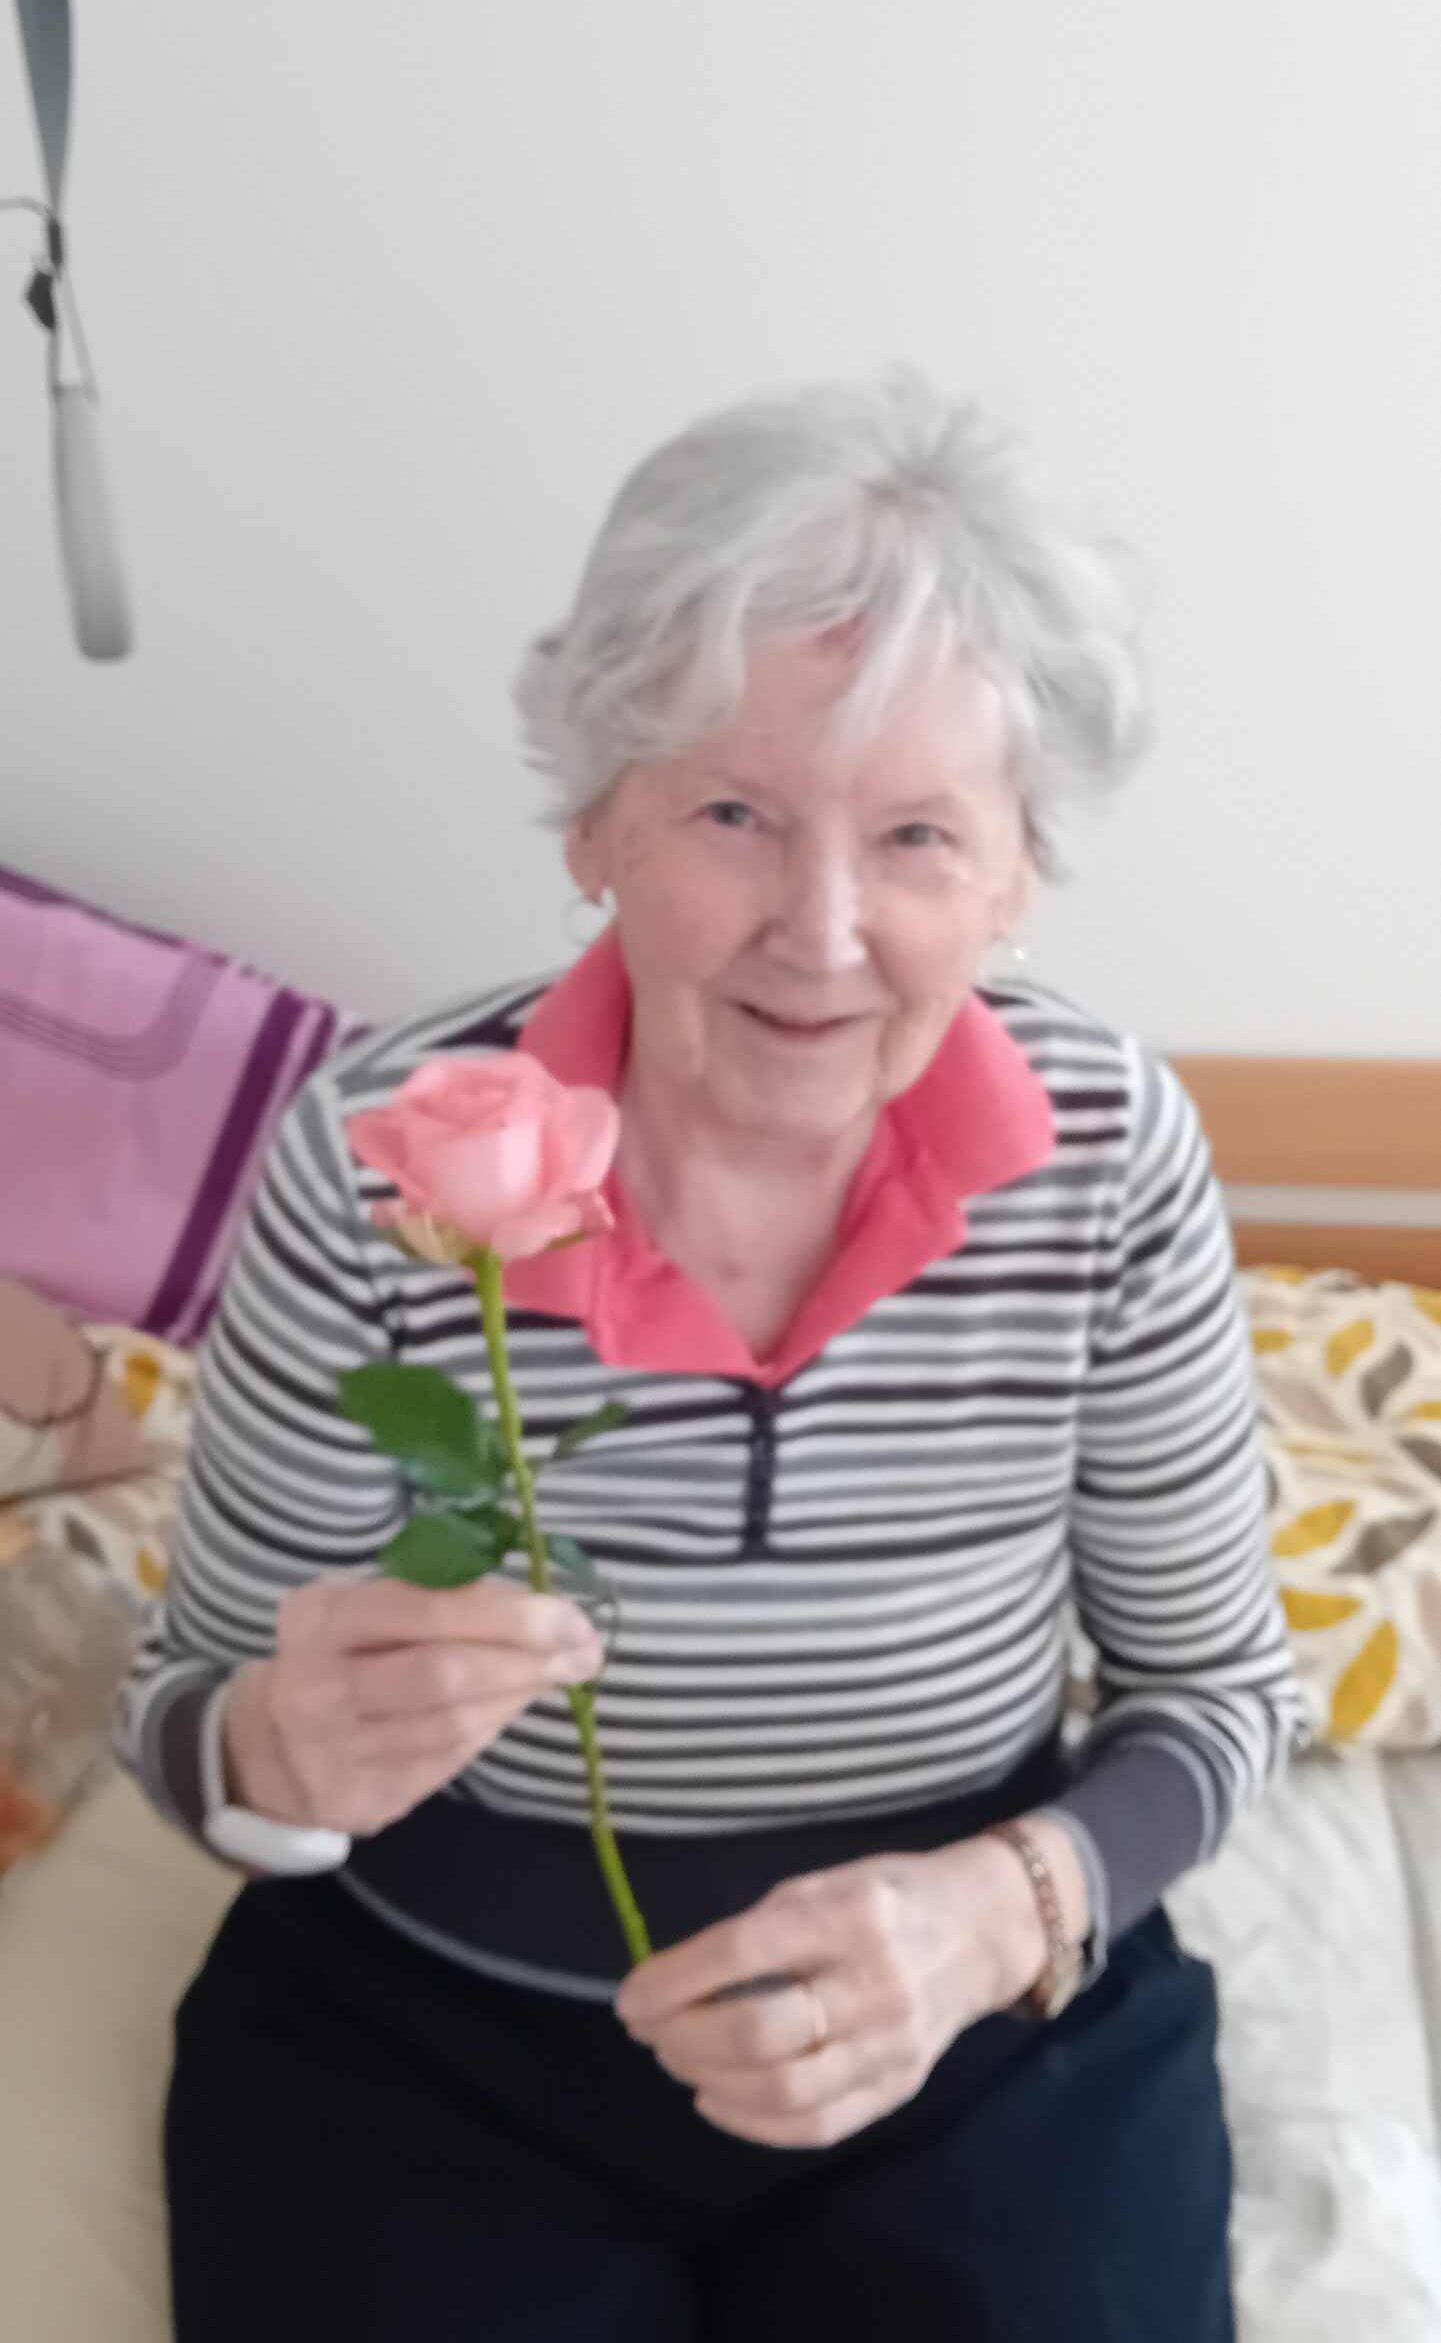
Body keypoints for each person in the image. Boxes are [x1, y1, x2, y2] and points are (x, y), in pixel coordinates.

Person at [118, 373, 1304, 2342]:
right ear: (595, 819)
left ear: (1014, 870)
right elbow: (187, 1710)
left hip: (971, 2025)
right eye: (734, 815)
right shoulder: (381, 1152)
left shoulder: (1108, 1156)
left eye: (915, 836)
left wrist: (996, 1912)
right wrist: (265, 1756)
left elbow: (1216, 1698)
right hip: (426, 2042)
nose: (818, 932)